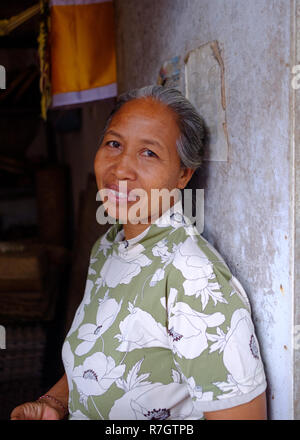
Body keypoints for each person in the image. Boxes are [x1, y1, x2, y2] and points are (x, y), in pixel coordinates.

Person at [11, 85, 267, 420]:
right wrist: (54, 403)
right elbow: (95, 360)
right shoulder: (107, 249)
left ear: (183, 174)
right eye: (114, 144)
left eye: (149, 153)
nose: (120, 169)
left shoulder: (192, 277)